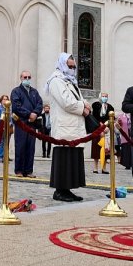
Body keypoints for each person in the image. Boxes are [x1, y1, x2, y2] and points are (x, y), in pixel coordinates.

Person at [45, 53, 89, 202]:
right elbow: (67, 102)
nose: (72, 69)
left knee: (72, 159)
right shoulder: (56, 81)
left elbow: (78, 99)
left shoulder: (71, 82)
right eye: (69, 66)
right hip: (64, 126)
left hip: (74, 126)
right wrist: (83, 107)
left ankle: (68, 189)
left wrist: (85, 104)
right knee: (64, 158)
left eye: (73, 67)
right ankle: (60, 190)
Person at [10, 69, 43, 178]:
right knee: (20, 146)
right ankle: (19, 170)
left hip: (32, 124)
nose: (27, 79)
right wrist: (29, 114)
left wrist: (35, 113)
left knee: (30, 147)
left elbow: (40, 103)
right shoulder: (16, 91)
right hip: (21, 123)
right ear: (21, 78)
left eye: (29, 77)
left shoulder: (34, 92)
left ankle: (29, 171)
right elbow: (16, 106)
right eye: (25, 77)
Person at [91, 91, 115, 173]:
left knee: (106, 149)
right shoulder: (96, 105)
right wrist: (100, 125)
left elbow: (112, 118)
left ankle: (104, 168)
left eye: (106, 96)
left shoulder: (110, 107)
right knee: (96, 149)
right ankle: (95, 167)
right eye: (103, 96)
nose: (104, 97)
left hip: (107, 130)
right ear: (100, 97)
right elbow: (94, 117)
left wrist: (107, 125)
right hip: (97, 129)